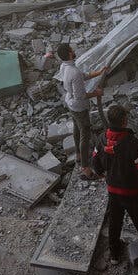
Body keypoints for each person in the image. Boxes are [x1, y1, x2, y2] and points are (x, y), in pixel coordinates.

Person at [91, 105, 138, 275]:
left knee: (115, 222)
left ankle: (114, 254)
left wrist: (103, 174)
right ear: (124, 121)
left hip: (113, 192)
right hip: (133, 194)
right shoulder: (133, 144)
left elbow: (95, 162)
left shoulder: (101, 139)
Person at [57, 44, 109, 181]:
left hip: (70, 104)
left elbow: (83, 76)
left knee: (77, 128)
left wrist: (99, 72)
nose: (74, 51)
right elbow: (80, 96)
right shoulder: (74, 72)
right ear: (69, 54)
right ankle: (85, 168)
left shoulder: (65, 67)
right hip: (79, 107)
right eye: (72, 50)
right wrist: (96, 93)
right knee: (85, 135)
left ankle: (79, 155)